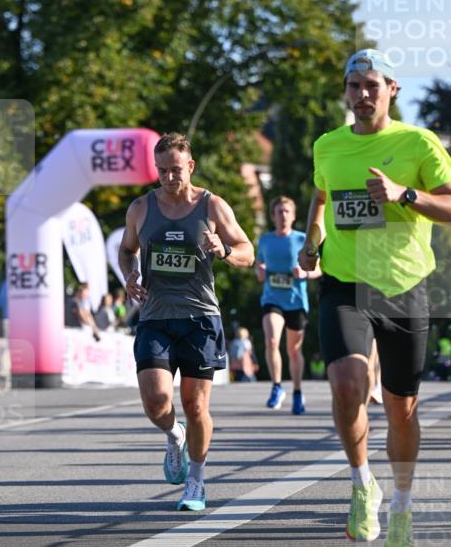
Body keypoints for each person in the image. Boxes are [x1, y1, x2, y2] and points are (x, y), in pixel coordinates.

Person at [299, 48, 451, 547]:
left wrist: (404, 194)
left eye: (372, 85)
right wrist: (312, 239)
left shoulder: (418, 143)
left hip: (403, 288)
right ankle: (360, 484)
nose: (362, 94)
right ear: (346, 91)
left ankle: (402, 506)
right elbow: (321, 196)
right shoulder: (327, 145)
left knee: (401, 407)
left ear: (392, 89)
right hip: (345, 284)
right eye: (354, 85)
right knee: (348, 382)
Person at [118, 132, 254, 511]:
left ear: (190, 166)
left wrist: (224, 249)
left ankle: (195, 482)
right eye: (161, 171)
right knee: (156, 400)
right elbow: (127, 251)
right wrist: (129, 276)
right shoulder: (141, 208)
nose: (168, 178)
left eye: (175, 170)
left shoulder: (213, 206)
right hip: (156, 317)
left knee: (196, 406)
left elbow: (247, 250)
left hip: (200, 318)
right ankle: (172, 433)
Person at [256, 196, 321, 414]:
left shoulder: (303, 239)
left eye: (286, 211)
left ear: (293, 215)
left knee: (294, 351)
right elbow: (259, 268)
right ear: (273, 216)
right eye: (278, 211)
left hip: (296, 301)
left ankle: (297, 391)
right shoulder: (265, 240)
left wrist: (305, 272)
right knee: (272, 339)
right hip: (272, 298)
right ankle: (276, 387)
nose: (282, 215)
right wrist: (261, 271)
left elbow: (319, 268)